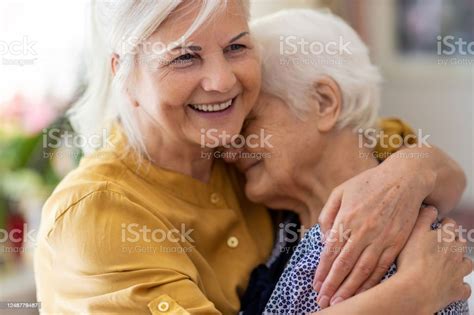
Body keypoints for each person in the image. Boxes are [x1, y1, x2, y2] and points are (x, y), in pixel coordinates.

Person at [34, 1, 468, 314]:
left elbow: (411, 159)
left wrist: (413, 171)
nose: (222, 81)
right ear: (123, 71)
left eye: (237, 47)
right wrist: (411, 296)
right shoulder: (94, 216)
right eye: (184, 56)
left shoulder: (233, 147)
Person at [234, 9, 471, 314]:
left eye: (248, 122)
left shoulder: (402, 245)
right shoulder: (288, 223)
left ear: (324, 102)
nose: (229, 149)